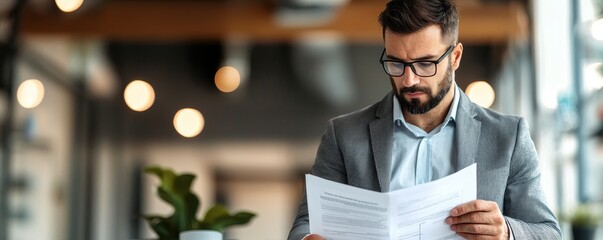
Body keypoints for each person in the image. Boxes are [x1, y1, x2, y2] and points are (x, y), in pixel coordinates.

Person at [287, 0, 561, 239]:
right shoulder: (343, 135)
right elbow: (305, 224)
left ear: (455, 57)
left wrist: (506, 233)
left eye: (425, 64)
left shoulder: (508, 136)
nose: (409, 79)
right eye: (396, 63)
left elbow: (548, 233)